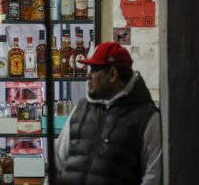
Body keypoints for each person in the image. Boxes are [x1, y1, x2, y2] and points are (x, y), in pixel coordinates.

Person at [55, 42, 162, 185]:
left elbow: (152, 176)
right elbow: (58, 161)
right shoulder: (80, 109)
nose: (88, 76)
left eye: (94, 70)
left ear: (112, 74)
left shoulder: (147, 117)